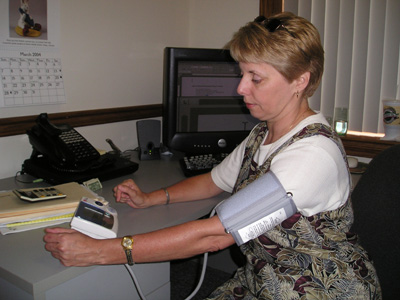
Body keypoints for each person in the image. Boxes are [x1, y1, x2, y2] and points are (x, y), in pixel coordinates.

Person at [44, 12, 381, 299]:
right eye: (242, 73)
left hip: (319, 288)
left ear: (299, 81)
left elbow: (215, 234)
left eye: (256, 78)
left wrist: (100, 252)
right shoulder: (263, 132)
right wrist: (152, 199)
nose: (240, 88)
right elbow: (214, 180)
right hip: (265, 278)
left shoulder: (313, 155)